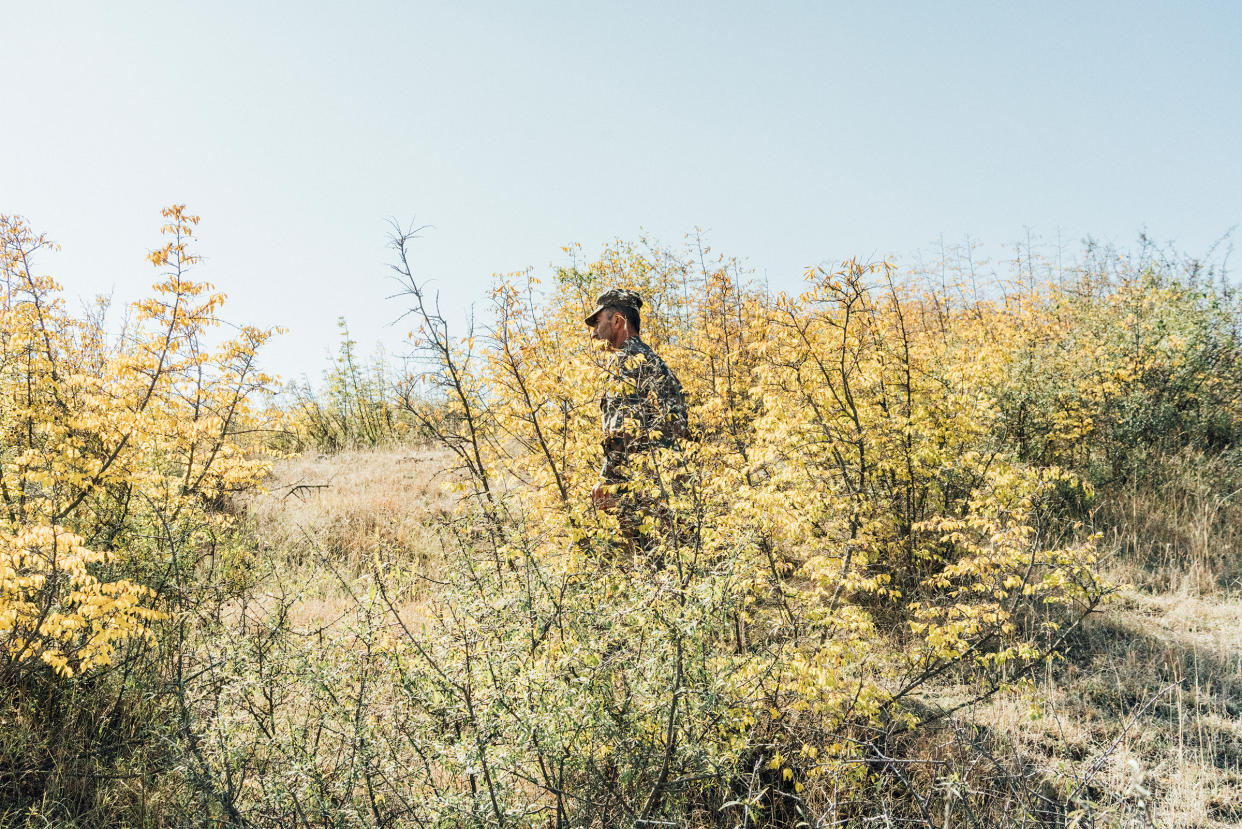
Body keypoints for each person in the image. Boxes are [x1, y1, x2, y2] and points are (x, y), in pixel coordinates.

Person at [584, 289, 689, 516]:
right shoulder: (654, 363)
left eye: (598, 324)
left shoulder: (626, 364)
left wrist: (607, 479)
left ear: (618, 321)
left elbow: (622, 431)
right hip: (674, 491)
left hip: (644, 496)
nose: (594, 334)